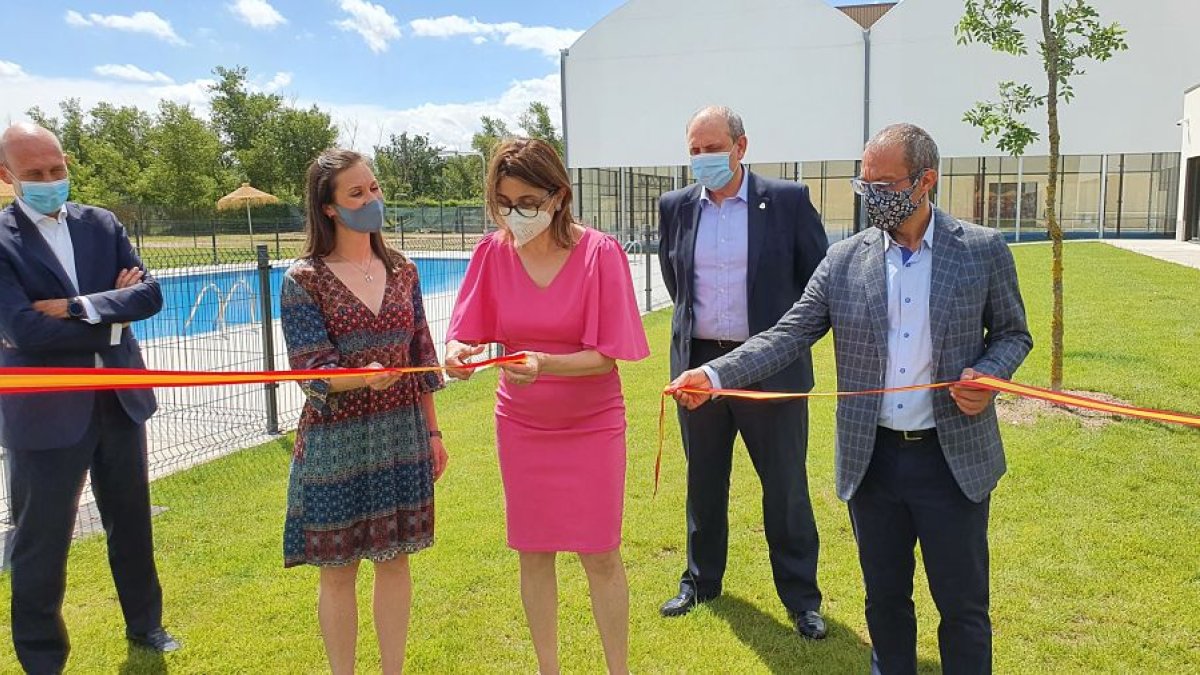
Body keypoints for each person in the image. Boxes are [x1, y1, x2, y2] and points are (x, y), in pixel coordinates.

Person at [671, 123, 1033, 674]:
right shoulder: (843, 260)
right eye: (864, 185)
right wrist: (715, 374)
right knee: (885, 602)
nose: (872, 198)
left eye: (884, 185)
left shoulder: (981, 250)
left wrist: (988, 374)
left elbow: (1012, 334)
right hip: (873, 462)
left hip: (953, 460)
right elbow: (788, 334)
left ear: (926, 181)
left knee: (962, 607)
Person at [444, 138, 649, 675]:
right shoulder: (492, 253)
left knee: (600, 553)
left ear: (559, 197)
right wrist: (458, 353)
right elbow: (465, 331)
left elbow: (604, 359)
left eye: (528, 203)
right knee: (533, 552)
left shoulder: (600, 253)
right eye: (504, 204)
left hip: (592, 426)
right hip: (522, 425)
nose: (515, 215)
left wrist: (544, 363)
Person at [0, 122, 175, 674]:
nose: (50, 180)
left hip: (119, 399)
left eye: (57, 169)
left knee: (132, 521)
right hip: (45, 411)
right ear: (7, 176)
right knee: (41, 538)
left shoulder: (101, 224)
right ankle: (42, 658)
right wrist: (111, 317)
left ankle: (146, 624)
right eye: (35, 173)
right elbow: (23, 330)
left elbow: (150, 295)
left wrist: (77, 307)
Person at [656, 106, 830, 638]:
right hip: (699, 369)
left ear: (741, 146)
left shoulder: (788, 201)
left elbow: (817, 285)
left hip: (772, 368)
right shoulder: (675, 207)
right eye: (694, 150)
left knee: (785, 487)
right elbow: (676, 284)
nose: (702, 158)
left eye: (712, 147)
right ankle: (701, 581)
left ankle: (801, 598)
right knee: (703, 482)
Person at [280, 148, 447, 675]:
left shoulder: (404, 270)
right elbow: (311, 370)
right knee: (338, 569)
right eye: (356, 193)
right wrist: (363, 376)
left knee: (394, 562)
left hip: (401, 433)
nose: (372, 199)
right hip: (337, 442)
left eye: (373, 188)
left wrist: (434, 433)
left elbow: (422, 355)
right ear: (328, 207)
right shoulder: (304, 279)